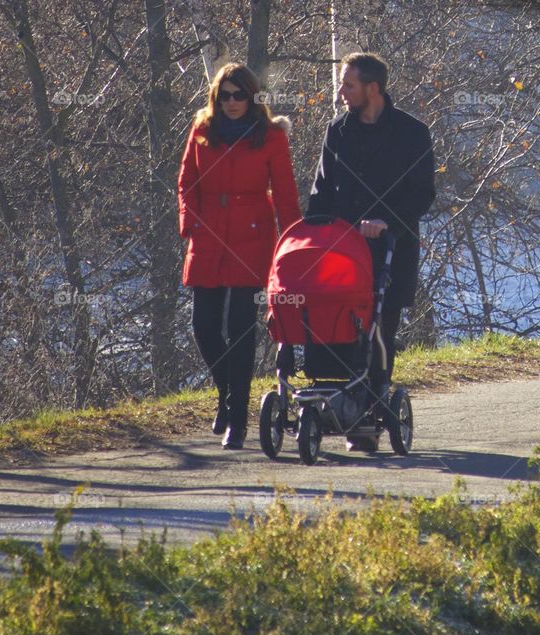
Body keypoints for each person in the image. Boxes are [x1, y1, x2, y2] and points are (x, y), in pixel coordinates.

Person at [305, 52, 436, 452]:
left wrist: (387, 222)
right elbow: (321, 190)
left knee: (379, 331)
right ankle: (339, 406)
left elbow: (422, 194)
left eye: (348, 85)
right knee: (337, 325)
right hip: (342, 250)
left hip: (391, 248)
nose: (341, 93)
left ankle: (370, 415)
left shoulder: (412, 133)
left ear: (372, 88)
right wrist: (313, 234)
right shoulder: (337, 131)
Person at [177, 63, 302, 450]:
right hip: (208, 234)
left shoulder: (270, 136)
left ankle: (238, 420)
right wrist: (190, 223)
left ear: (252, 97)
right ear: (216, 98)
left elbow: (285, 192)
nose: (231, 103)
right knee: (204, 326)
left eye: (239, 95)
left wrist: (294, 244)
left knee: (240, 329)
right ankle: (228, 395)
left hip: (253, 236)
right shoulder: (201, 130)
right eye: (224, 96)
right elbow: (186, 183)